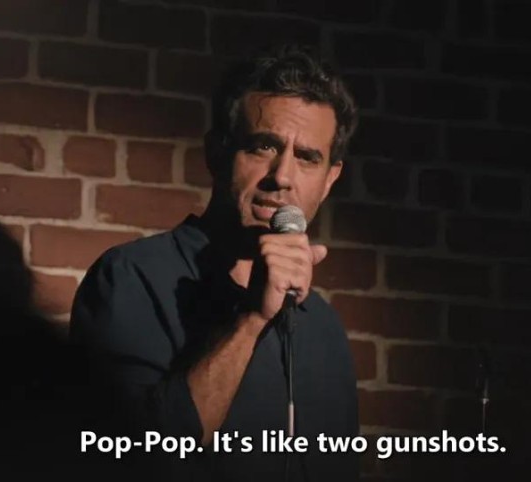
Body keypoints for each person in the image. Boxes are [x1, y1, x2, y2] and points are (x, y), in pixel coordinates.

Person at [70, 45, 360, 481]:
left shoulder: (323, 326)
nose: (282, 177)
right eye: (263, 146)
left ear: (329, 179)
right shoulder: (131, 278)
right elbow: (129, 457)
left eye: (307, 157)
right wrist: (252, 320)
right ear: (217, 153)